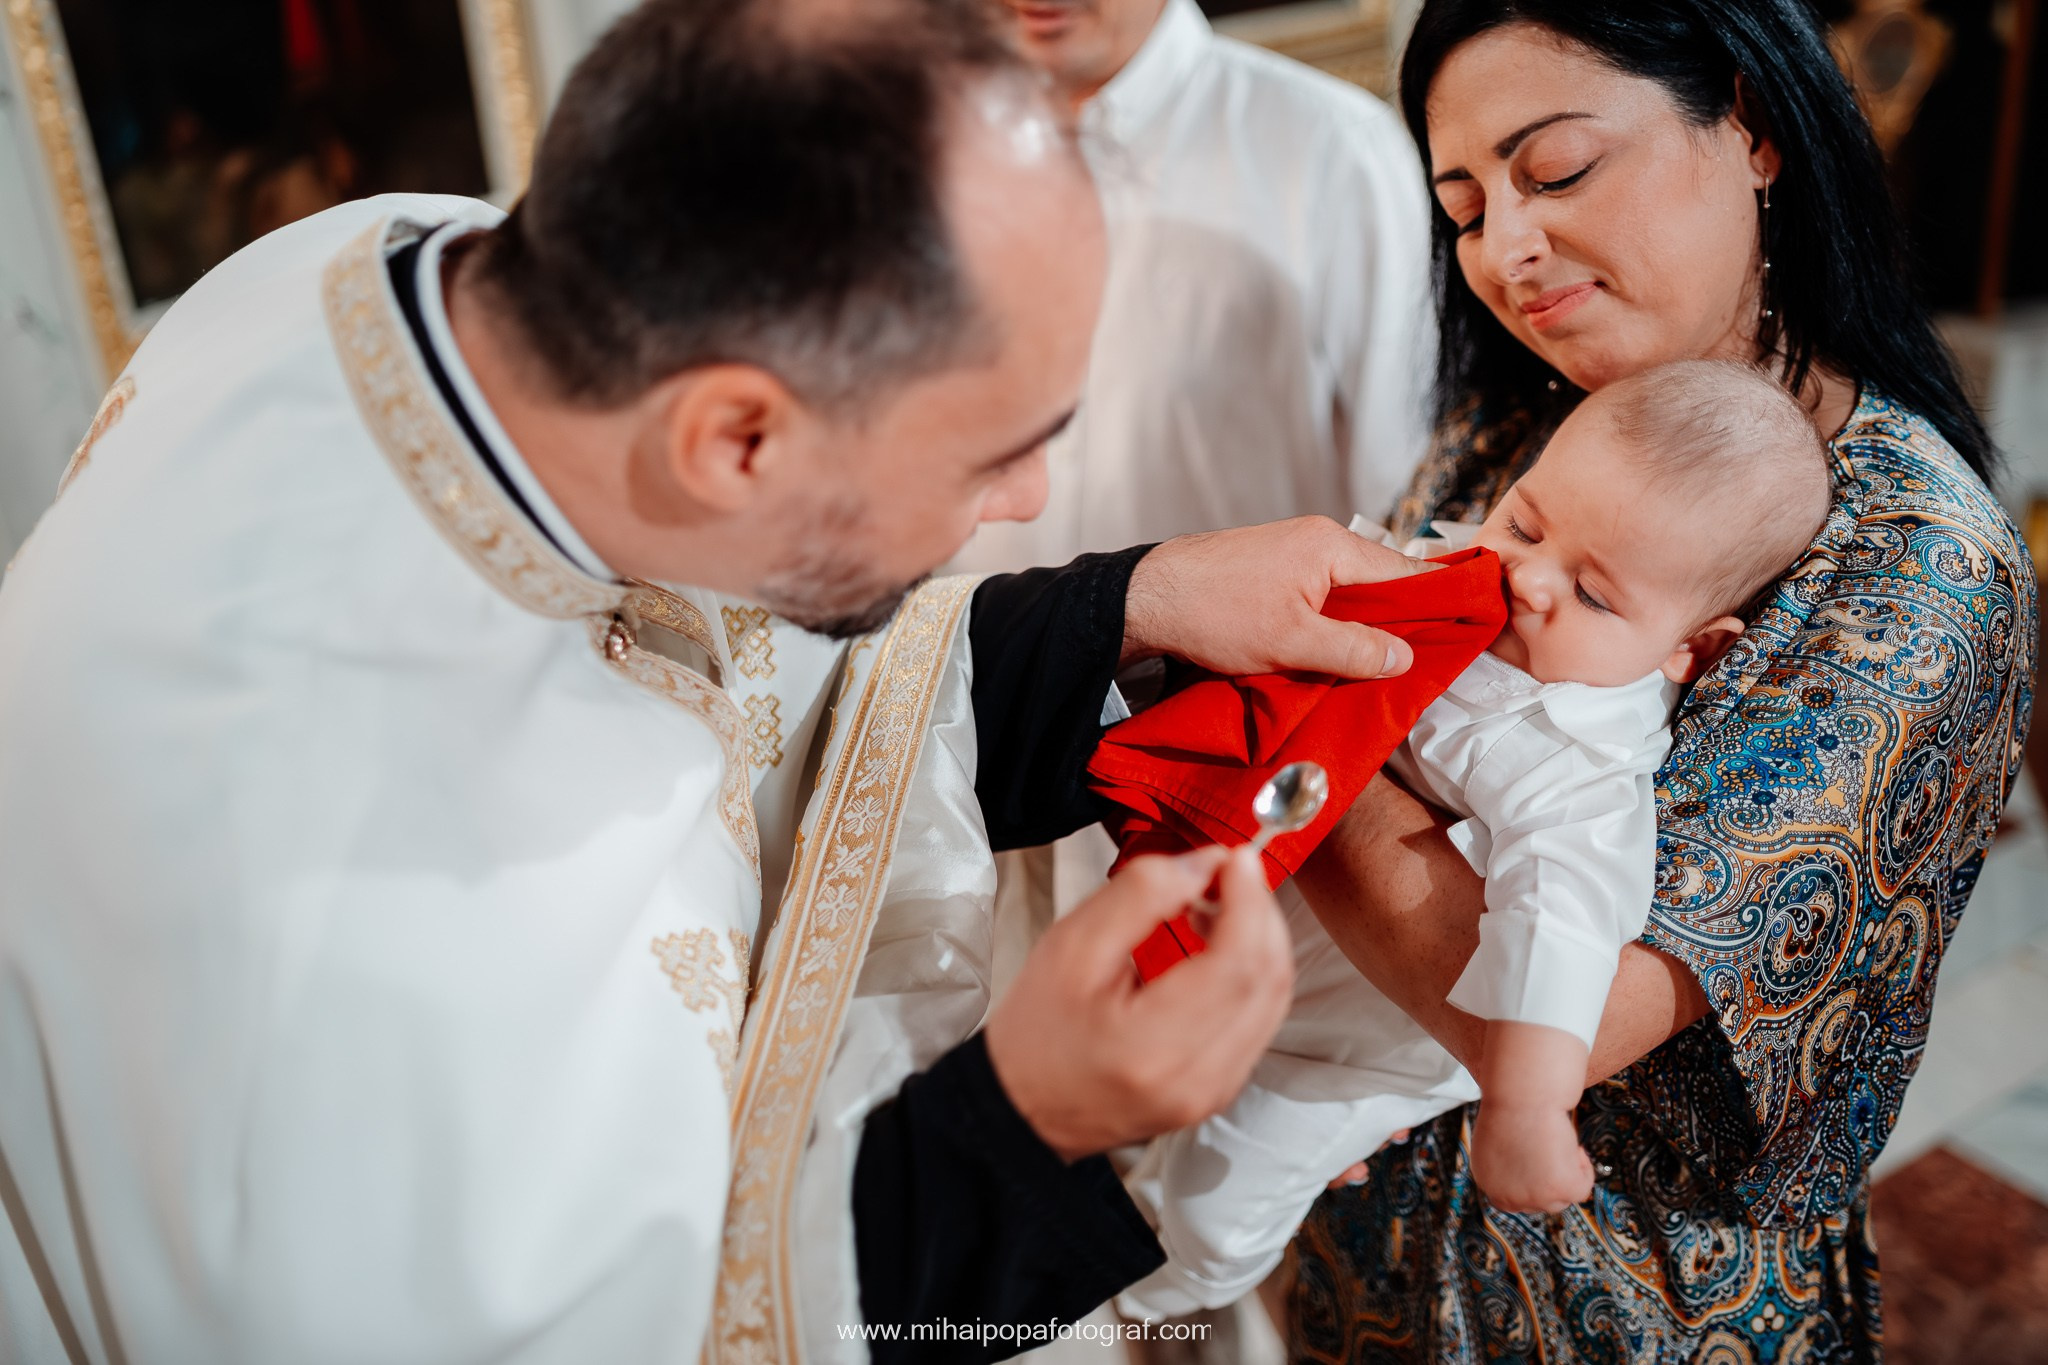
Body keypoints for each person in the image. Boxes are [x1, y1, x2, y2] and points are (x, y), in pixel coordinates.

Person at [0, 2, 1433, 1361]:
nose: (1033, 497)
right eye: (994, 450)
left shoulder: (406, 268)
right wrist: (1037, 1121)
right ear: (735, 440)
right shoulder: (354, 920)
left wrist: (1126, 606)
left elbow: (738, 682)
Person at [1273, 1, 2039, 1358]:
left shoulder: (1913, 570)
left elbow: (1545, 1003)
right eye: (1462, 206)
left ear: (1749, 126)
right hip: (1370, 1207)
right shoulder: (1514, 419)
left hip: (1627, 1294)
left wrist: (1286, 753)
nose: (1504, 248)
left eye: (1556, 170)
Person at [1120, 359, 1834, 1318]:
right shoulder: (1459, 571)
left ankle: (1169, 1286)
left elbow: (1565, 928)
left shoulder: (1578, 768)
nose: (1528, 577)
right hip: (1257, 925)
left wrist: (1527, 1107)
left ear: (1690, 649)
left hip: (1357, 1042)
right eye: (1527, 522)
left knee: (1232, 1170)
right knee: (1121, 1070)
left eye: (1594, 594)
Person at [954, 0, 1438, 951]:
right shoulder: (906, 153)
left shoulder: (1329, 152)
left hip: (1241, 815)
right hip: (964, 787)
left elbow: (1406, 511)